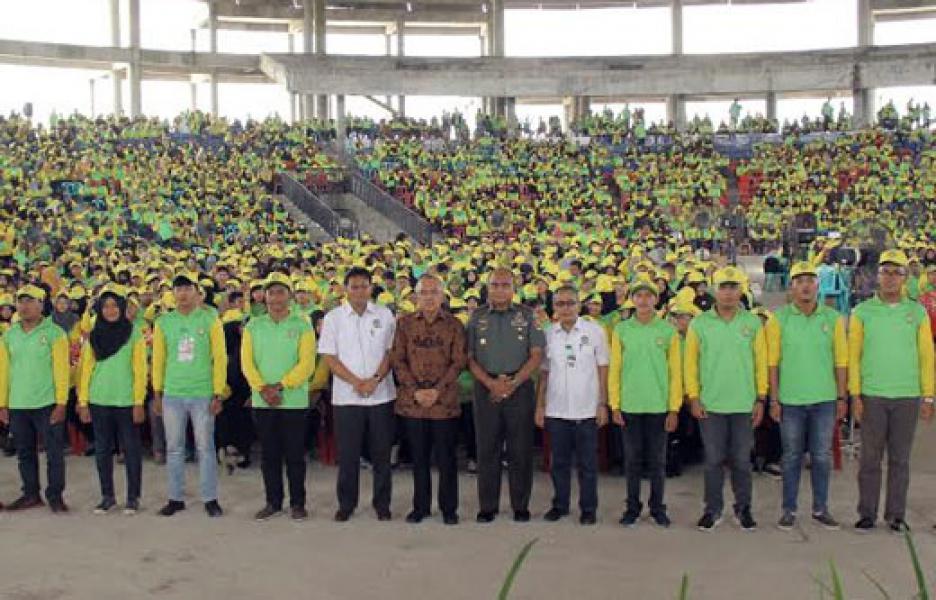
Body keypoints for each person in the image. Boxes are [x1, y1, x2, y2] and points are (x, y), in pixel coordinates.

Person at [849, 250, 934, 533]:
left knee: (900, 460)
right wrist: (855, 394)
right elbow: (854, 356)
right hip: (873, 395)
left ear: (905, 278)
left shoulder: (917, 312)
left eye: (896, 272)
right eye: (885, 271)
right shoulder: (862, 312)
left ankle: (896, 515)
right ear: (877, 276)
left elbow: (926, 356)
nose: (890, 278)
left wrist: (928, 395)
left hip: (907, 395)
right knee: (870, 459)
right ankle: (867, 513)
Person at [765, 262, 847, 531]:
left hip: (824, 399)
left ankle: (820, 508)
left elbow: (841, 362)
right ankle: (789, 509)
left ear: (817, 285)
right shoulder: (779, 320)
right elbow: (773, 363)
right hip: (791, 400)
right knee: (791, 457)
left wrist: (841, 397)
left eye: (810, 280)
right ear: (792, 287)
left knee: (821, 456)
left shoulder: (833, 319)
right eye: (799, 281)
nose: (805, 285)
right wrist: (774, 400)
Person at [685, 266, 768, 532]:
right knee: (713, 460)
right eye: (723, 287)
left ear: (741, 290)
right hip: (711, 404)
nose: (729, 293)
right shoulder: (699, 324)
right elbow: (690, 364)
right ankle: (712, 509)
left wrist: (761, 398)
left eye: (734, 287)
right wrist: (694, 397)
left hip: (744, 404)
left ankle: (743, 509)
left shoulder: (752, 323)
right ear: (714, 290)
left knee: (742, 461)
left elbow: (761, 364)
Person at [318, 267, 397, 522]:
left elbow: (390, 353)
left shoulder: (385, 315)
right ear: (345, 289)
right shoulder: (333, 318)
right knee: (348, 453)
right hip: (347, 397)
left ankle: (382, 503)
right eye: (354, 286)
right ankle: (346, 504)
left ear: (371, 288)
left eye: (364, 285)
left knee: (382, 453)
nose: (359, 290)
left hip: (381, 394)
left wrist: (374, 380)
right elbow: (330, 357)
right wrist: (356, 382)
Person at [466, 267, 545, 523]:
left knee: (520, 450)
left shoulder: (527, 315)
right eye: (495, 285)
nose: (499, 289)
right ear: (488, 287)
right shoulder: (476, 317)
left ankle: (520, 505)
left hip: (519, 388)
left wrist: (512, 383)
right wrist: (491, 383)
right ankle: (487, 506)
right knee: (487, 449)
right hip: (485, 388)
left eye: (505, 285)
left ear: (513, 288)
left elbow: (536, 354)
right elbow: (469, 358)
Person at [390, 274, 468, 525]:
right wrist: (415, 390)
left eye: (434, 292)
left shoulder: (455, 325)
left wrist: (437, 391)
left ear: (442, 295)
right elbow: (398, 360)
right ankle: (420, 507)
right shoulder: (404, 324)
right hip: (413, 404)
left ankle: (449, 509)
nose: (429, 297)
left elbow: (459, 362)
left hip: (444, 404)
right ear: (416, 296)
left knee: (446, 459)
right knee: (419, 459)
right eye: (424, 292)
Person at [241, 273, 317, 522]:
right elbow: (247, 363)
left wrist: (280, 387)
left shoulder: (302, 324)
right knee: (269, 454)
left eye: (280, 292)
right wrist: (262, 388)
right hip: (263, 400)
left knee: (295, 454)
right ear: (265, 296)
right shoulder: (253, 325)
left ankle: (298, 503)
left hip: (293, 400)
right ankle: (273, 502)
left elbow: (306, 365)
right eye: (271, 292)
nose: (276, 297)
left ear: (290, 295)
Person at [152, 272, 228, 518]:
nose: (183, 294)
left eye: (187, 288)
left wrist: (218, 392)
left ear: (197, 292)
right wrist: (157, 391)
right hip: (173, 393)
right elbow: (159, 359)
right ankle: (175, 498)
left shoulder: (210, 320)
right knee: (174, 448)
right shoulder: (164, 322)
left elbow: (219, 358)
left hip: (202, 392)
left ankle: (210, 498)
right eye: (178, 289)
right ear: (173, 294)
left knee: (205, 447)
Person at [609, 278, 682, 528]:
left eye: (648, 296)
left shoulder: (667, 331)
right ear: (633, 299)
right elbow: (615, 369)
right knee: (632, 461)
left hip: (658, 406)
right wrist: (615, 404)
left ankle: (657, 507)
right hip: (630, 405)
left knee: (657, 461)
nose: (643, 300)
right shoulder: (622, 330)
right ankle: (632, 507)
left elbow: (675, 373)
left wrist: (674, 408)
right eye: (638, 295)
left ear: (656, 299)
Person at [535, 284, 609, 525]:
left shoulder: (595, 331)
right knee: (559, 463)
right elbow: (544, 373)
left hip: (587, 408)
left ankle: (588, 508)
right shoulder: (547, 334)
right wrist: (540, 405)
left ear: (579, 305)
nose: (565, 308)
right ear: (553, 307)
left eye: (570, 303)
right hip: (557, 409)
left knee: (588, 463)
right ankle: (560, 504)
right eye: (560, 304)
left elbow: (603, 368)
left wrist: (602, 404)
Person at [77, 285, 147, 515]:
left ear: (122, 307)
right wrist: (83, 401)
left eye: (114, 305)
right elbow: (85, 370)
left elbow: (139, 369)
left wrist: (139, 401)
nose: (110, 310)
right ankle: (107, 497)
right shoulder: (93, 336)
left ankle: (132, 498)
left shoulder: (133, 333)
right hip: (99, 400)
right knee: (103, 450)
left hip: (126, 400)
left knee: (131, 450)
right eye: (105, 306)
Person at [0, 284, 70, 513]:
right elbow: (4, 371)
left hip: (47, 403)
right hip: (19, 403)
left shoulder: (55, 334)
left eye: (30, 301)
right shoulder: (9, 335)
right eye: (21, 301)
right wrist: (3, 403)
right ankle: (30, 494)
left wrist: (61, 402)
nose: (25, 306)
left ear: (41, 304)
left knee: (54, 453)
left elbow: (62, 371)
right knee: (24, 453)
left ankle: (55, 495)